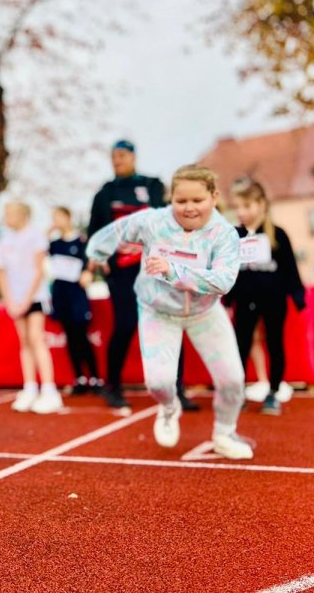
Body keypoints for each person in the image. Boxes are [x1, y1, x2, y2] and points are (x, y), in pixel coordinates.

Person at [87, 165, 253, 459]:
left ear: (214, 197)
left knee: (232, 381)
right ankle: (168, 407)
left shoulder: (224, 234)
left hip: (204, 313)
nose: (189, 208)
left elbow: (224, 281)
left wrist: (172, 271)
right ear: (170, 199)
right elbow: (114, 231)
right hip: (158, 311)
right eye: (181, 201)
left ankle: (225, 433)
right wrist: (97, 255)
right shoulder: (153, 222)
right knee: (160, 383)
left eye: (197, 200)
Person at [88, 140, 198, 413]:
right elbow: (95, 233)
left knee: (171, 325)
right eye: (113, 156)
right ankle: (112, 386)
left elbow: (171, 219)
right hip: (123, 275)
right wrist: (103, 259)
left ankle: (178, 389)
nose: (117, 160)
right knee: (125, 326)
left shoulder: (152, 186)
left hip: (155, 270)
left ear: (133, 157)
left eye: (122, 155)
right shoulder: (104, 194)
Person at [229, 179, 306, 415]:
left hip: (273, 300)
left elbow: (290, 269)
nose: (242, 212)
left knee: (275, 343)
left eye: (247, 206)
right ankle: (238, 392)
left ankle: (273, 392)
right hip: (244, 300)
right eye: (238, 207)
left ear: (261, 204)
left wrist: (297, 295)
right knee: (240, 346)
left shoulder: (278, 235)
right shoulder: (234, 235)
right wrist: (227, 299)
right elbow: (229, 270)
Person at [0, 202, 63, 414]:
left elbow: (39, 269)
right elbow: (1, 273)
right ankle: (30, 387)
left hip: (35, 296)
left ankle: (49, 390)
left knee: (36, 338)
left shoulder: (35, 236)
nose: (5, 216)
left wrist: (26, 300)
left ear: (22, 214)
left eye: (9, 212)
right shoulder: (1, 241)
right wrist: (10, 301)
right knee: (24, 341)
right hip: (15, 299)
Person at [48, 207, 101, 394]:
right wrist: (48, 231)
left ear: (68, 217)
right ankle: (79, 378)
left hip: (77, 294)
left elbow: (92, 261)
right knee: (70, 337)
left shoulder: (81, 241)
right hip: (60, 295)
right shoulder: (53, 244)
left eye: (58, 217)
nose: (56, 220)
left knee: (81, 336)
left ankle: (95, 378)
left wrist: (88, 273)